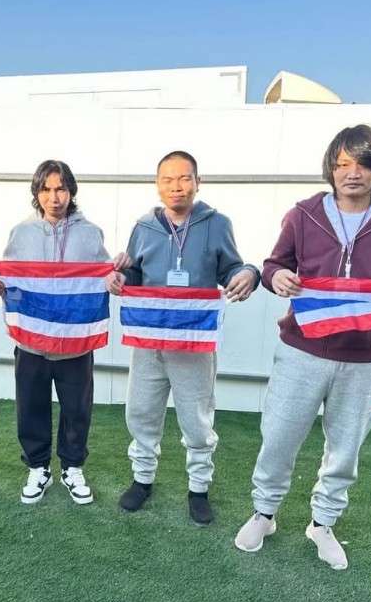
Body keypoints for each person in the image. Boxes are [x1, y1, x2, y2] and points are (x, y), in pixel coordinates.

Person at [233, 125, 371, 569]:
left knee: (345, 448)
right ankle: (264, 513)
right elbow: (274, 264)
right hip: (302, 349)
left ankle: (322, 523)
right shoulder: (304, 214)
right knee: (279, 437)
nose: (353, 172)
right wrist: (276, 278)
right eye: (343, 163)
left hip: (364, 358)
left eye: (363, 163)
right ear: (331, 167)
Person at [105, 150, 259, 525]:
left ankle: (198, 488)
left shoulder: (216, 223)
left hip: (193, 340)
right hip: (150, 339)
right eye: (168, 179)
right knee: (141, 411)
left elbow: (232, 267)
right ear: (157, 185)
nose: (177, 186)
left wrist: (249, 273)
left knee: (197, 419)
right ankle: (142, 480)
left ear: (197, 182)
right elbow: (136, 276)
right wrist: (121, 279)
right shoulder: (143, 226)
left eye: (184, 178)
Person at [0, 160, 129, 505]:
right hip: (31, 341)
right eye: (46, 189)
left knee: (77, 409)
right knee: (30, 406)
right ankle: (37, 466)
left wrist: (113, 278)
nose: (54, 196)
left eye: (60, 188)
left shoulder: (91, 233)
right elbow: (10, 282)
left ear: (71, 191)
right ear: (37, 193)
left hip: (75, 344)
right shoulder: (21, 233)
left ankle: (72, 466)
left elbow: (101, 277)